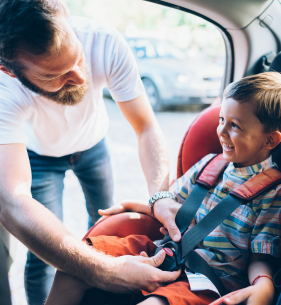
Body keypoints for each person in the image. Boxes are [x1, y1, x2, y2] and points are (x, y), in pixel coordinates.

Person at [45, 72, 281, 305]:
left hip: (208, 281)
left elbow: (260, 254)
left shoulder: (273, 191)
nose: (221, 131)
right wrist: (140, 206)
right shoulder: (210, 163)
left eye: (235, 126)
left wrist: (263, 284)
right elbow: (173, 206)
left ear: (270, 139)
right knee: (75, 266)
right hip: (164, 251)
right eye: (221, 120)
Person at [0, 1, 180, 304]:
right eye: (52, 76)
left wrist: (161, 197)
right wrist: (101, 271)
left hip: (94, 145)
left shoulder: (105, 41)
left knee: (101, 231)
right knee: (44, 253)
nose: (81, 79)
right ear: (9, 71)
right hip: (40, 157)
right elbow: (12, 200)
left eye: (79, 60)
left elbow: (146, 126)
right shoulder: (4, 89)